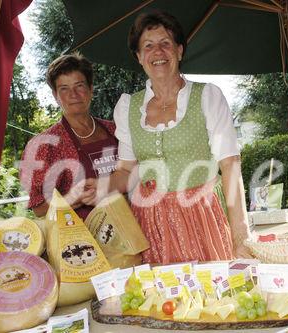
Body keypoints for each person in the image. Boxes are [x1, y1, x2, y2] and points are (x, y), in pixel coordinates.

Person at [91, 11, 252, 264]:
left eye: (165, 43)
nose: (158, 52)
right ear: (139, 57)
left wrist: (240, 234)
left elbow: (230, 165)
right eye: (148, 46)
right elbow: (125, 171)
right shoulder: (127, 108)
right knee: (157, 300)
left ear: (179, 51)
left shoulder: (208, 97)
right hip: (150, 226)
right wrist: (99, 187)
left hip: (202, 217)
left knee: (209, 297)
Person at [19, 53, 119, 219]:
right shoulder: (44, 145)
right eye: (64, 88)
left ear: (91, 89)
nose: (73, 94)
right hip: (82, 239)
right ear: (55, 96)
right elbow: (39, 208)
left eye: (79, 85)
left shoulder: (115, 130)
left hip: (130, 230)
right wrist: (73, 199)